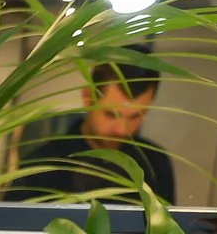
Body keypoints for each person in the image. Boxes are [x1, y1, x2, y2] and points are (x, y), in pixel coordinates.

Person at [10, 56, 178, 203]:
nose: (121, 130)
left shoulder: (155, 164)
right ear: (87, 97)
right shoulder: (41, 164)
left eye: (135, 116)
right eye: (111, 114)